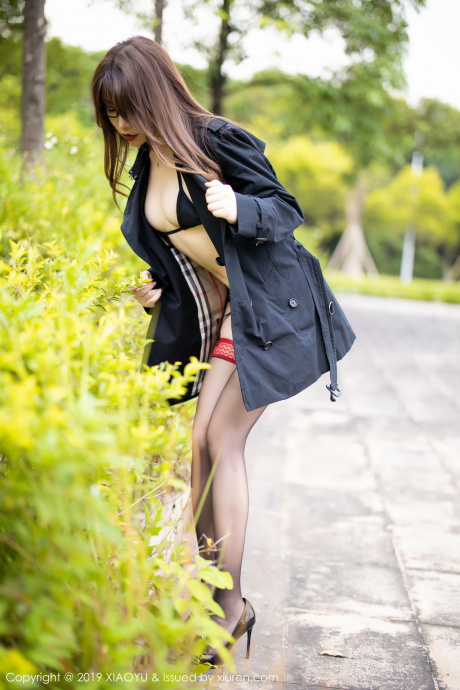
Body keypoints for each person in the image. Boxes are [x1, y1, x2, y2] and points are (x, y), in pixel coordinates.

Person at [91, 35, 356, 667]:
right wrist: (155, 289)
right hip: (231, 309)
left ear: (154, 95)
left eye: (127, 109)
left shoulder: (215, 140)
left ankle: (228, 608)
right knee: (200, 442)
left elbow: (284, 209)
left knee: (221, 439)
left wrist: (238, 205)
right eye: (111, 114)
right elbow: (179, 251)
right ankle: (213, 600)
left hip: (272, 306)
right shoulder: (147, 163)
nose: (120, 124)